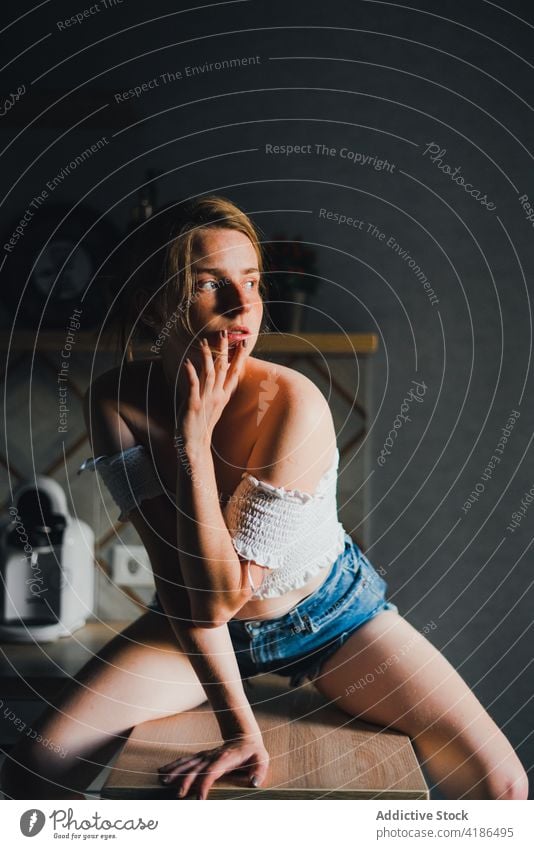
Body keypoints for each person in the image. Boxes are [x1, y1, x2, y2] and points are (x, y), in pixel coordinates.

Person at [1, 195, 528, 801]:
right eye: (209, 283)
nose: (242, 304)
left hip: (330, 619)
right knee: (33, 769)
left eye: (251, 280)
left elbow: (231, 592)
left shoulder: (291, 403)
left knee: (503, 785)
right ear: (153, 308)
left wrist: (192, 447)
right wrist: (239, 726)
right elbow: (192, 592)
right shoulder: (118, 400)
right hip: (190, 626)